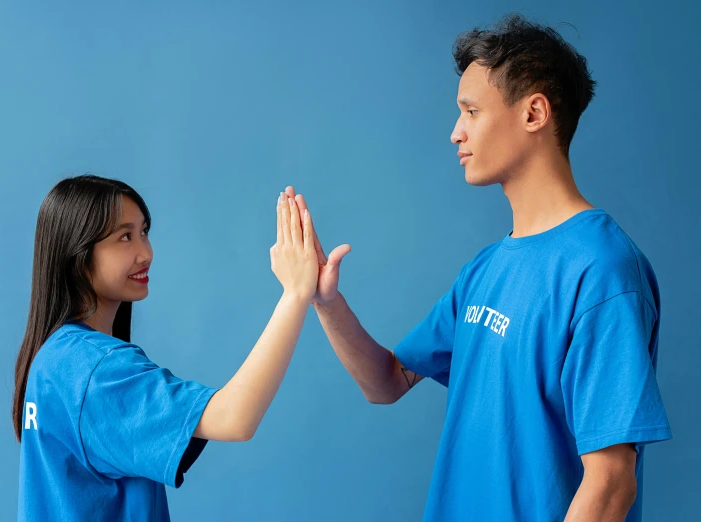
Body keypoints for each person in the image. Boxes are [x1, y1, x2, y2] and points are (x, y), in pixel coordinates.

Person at [287, 14, 672, 522]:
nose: (455, 133)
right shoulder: (485, 268)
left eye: (471, 111)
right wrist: (325, 300)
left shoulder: (603, 271)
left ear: (534, 113)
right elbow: (386, 382)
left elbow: (610, 484)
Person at [13, 175, 318, 521]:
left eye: (144, 232)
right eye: (124, 237)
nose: (146, 253)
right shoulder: (96, 370)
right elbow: (236, 418)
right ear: (79, 256)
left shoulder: (55, 358)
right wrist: (296, 293)